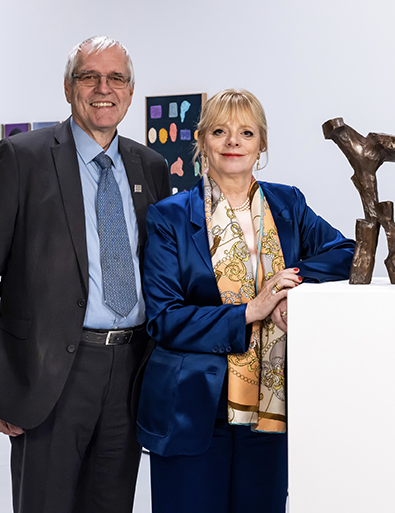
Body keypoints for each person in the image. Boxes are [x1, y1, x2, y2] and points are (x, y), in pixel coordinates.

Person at [136, 88, 355, 513]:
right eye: (220, 131)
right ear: (201, 141)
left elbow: (344, 252)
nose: (233, 142)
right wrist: (250, 311)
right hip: (192, 406)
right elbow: (164, 318)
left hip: (271, 405)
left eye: (246, 132)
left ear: (262, 144)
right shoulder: (170, 217)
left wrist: (290, 286)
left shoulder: (287, 203)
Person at [0, 36, 171, 512]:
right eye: (88, 76)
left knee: (112, 503)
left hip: (130, 369)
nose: (103, 88)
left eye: (115, 77)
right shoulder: (22, 158)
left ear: (131, 91)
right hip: (49, 373)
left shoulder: (150, 166)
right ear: (67, 86)